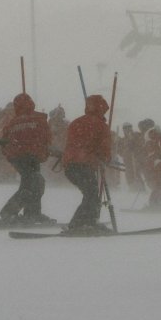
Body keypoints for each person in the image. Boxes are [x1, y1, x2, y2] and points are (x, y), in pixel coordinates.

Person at [0, 93, 53, 224]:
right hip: (33, 156)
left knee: (30, 182)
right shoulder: (39, 119)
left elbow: (4, 141)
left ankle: (32, 213)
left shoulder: (12, 122)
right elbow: (47, 138)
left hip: (17, 158)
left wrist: (12, 154)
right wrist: (43, 152)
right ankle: (10, 212)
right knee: (35, 183)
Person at [63, 95, 112, 232]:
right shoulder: (101, 126)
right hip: (84, 163)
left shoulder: (75, 123)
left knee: (90, 193)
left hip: (70, 164)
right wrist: (105, 159)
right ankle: (82, 223)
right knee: (91, 194)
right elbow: (104, 149)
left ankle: (86, 222)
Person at [118, 122, 145, 193]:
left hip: (137, 160)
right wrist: (124, 154)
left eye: (129, 128)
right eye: (125, 129)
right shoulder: (123, 140)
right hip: (128, 162)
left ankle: (141, 190)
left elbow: (142, 144)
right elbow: (120, 150)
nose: (127, 130)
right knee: (130, 176)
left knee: (137, 175)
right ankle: (133, 190)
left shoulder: (136, 135)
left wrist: (134, 144)